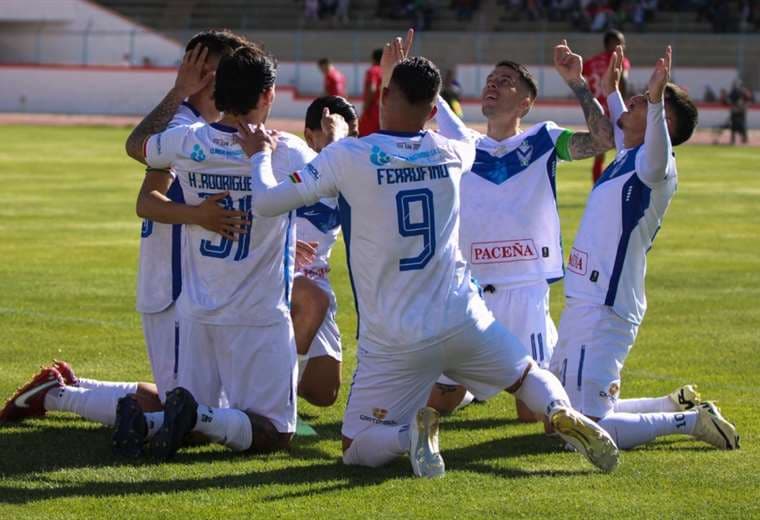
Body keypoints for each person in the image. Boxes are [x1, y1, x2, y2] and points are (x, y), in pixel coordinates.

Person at [239, 31, 619, 477]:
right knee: (525, 374)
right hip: (463, 314)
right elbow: (457, 143)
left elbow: (266, 202)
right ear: (435, 111)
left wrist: (259, 156)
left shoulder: (349, 156)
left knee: (354, 445)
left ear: (385, 95)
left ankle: (409, 435)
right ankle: (557, 408)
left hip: (395, 334)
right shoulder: (455, 151)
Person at [0, 31, 250, 435]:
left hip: (192, 285)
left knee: (199, 406)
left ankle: (67, 385)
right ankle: (55, 396)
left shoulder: (206, 126)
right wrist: (199, 215)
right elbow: (146, 192)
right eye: (226, 69)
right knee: (186, 414)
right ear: (205, 74)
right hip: (170, 285)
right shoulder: (182, 125)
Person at [121, 45, 348, 459]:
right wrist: (336, 139)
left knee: (209, 410)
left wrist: (178, 93)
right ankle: (191, 418)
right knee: (277, 432)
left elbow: (137, 144)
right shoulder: (285, 151)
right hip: (257, 317)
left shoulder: (186, 141)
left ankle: (152, 421)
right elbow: (340, 182)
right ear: (267, 96)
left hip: (197, 312)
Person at [549, 45, 740, 451]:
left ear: (661, 122)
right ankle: (672, 403)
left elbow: (652, 141)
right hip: (587, 298)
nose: (633, 101)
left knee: (581, 429)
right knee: (558, 417)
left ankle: (689, 422)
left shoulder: (657, 165)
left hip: (606, 304)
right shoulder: (630, 156)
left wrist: (653, 99)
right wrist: (606, 88)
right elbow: (621, 123)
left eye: (646, 103)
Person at [428, 40, 616, 421]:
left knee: (533, 415)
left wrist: (579, 84)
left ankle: (492, 381)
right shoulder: (463, 144)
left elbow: (603, 140)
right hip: (471, 291)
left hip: (525, 290)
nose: (493, 85)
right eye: (491, 80)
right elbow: (428, 99)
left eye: (506, 81)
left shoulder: (543, 139)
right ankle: (474, 388)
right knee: (438, 404)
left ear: (526, 102)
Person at [296, 95, 360, 406]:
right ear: (309, 136)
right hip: (278, 279)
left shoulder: (354, 173)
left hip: (318, 278)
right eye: (332, 130)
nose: (347, 142)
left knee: (324, 395)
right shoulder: (288, 163)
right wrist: (278, 243)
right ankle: (263, 394)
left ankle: (272, 379)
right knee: (313, 299)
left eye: (351, 135)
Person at [583, 29, 631, 183]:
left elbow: (583, 81)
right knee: (626, 150)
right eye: (621, 42)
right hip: (614, 109)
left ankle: (597, 186)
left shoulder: (591, 62)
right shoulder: (619, 60)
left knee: (600, 153)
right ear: (612, 43)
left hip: (596, 111)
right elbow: (623, 81)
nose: (623, 45)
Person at [358, 49, 383, 137]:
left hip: (372, 111)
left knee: (364, 138)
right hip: (384, 111)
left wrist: (366, 107)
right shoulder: (387, 71)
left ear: (373, 59)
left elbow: (372, 88)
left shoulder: (373, 71)